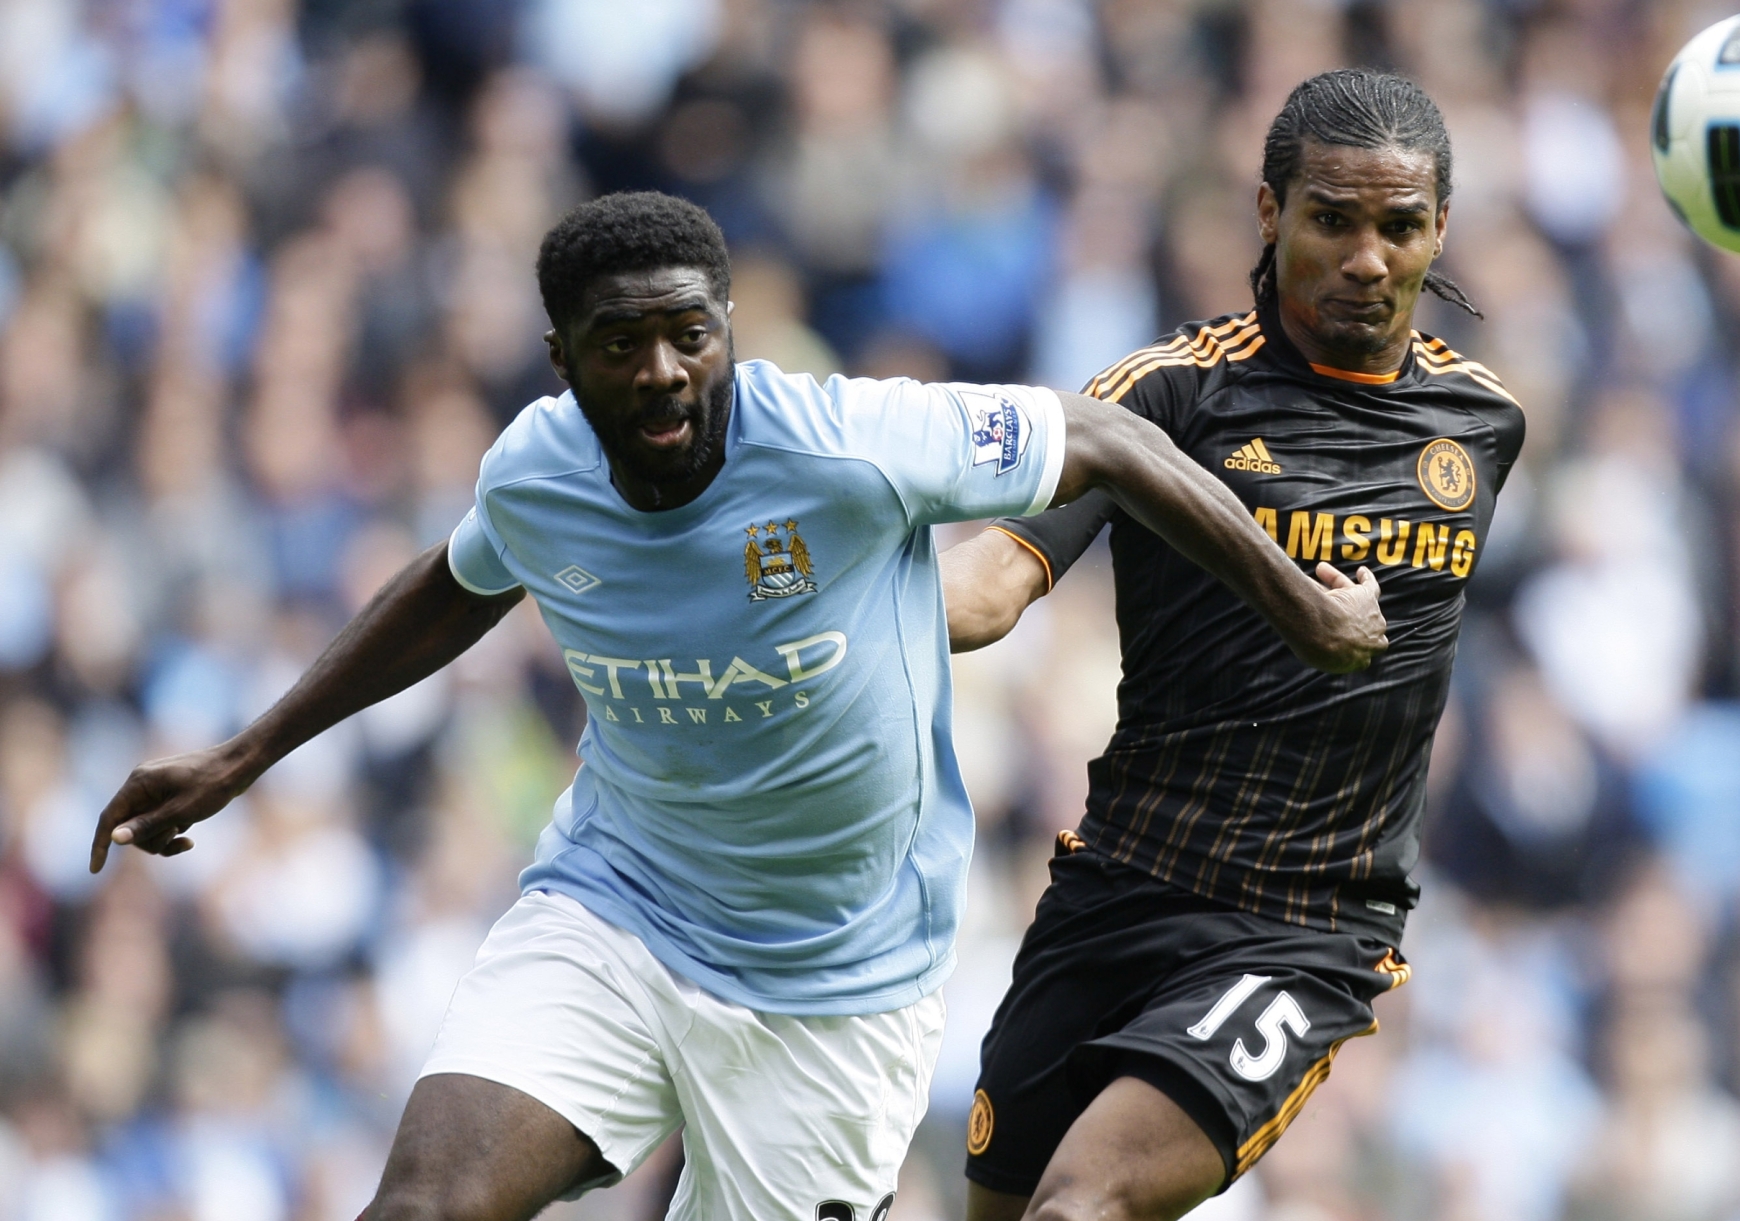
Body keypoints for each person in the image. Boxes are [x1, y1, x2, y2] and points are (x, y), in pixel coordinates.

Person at [88, 192, 1387, 1221]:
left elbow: (1109, 441)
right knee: (423, 1203)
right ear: (561, 358)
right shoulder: (538, 474)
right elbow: (457, 580)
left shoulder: (846, 441)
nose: (661, 371)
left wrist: (1305, 607)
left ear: (727, 332)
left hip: (839, 984)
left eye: (689, 334)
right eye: (619, 344)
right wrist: (245, 754)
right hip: (616, 911)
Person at [941, 70, 1527, 1221]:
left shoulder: (1482, 425)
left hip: (1303, 924)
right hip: (1114, 887)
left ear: (1439, 230)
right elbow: (990, 586)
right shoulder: (1162, 399)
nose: (1367, 259)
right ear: (1269, 214)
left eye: (1400, 227)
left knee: (1081, 1207)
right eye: (1333, 221)